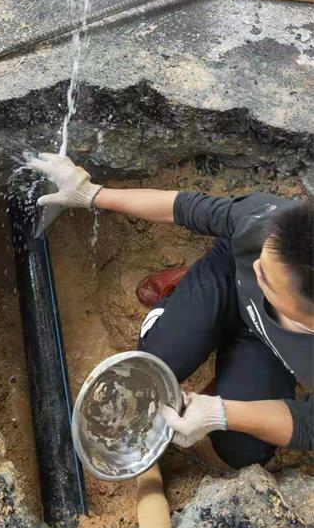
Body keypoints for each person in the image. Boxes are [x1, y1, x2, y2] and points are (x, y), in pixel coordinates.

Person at [28, 153, 314, 469]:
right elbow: (184, 207)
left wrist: (220, 413)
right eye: (260, 258)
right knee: (153, 367)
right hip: (227, 281)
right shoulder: (269, 223)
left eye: (265, 277)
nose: (256, 265)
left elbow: (308, 425)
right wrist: (90, 193)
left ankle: (231, 368)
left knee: (242, 451)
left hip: (267, 347)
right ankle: (186, 288)